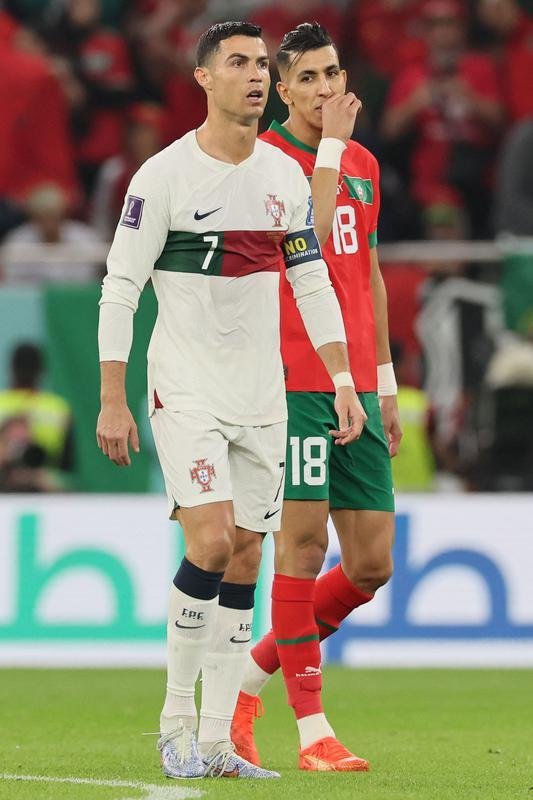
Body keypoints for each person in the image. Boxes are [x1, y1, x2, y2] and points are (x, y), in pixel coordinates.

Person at [96, 20, 365, 780]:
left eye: (258, 63)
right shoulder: (164, 176)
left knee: (248, 553)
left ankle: (217, 741)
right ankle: (173, 723)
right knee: (210, 542)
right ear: (203, 79)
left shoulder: (281, 179)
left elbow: (309, 280)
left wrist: (343, 379)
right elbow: (121, 285)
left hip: (262, 397)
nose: (253, 75)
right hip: (183, 388)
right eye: (238, 63)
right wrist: (114, 397)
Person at [230, 22, 402, 772]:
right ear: (283, 89)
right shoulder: (266, 158)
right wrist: (329, 144)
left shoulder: (361, 162)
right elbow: (305, 231)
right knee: (300, 546)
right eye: (307, 79)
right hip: (296, 378)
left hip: (357, 381)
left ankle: (246, 682)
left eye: (332, 74)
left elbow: (363, 269)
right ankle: (312, 734)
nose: (326, 90)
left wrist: (385, 380)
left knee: (370, 564)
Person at [0, 343, 74, 490]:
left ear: (12, 368)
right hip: (46, 488)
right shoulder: (58, 408)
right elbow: (67, 464)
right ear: (41, 370)